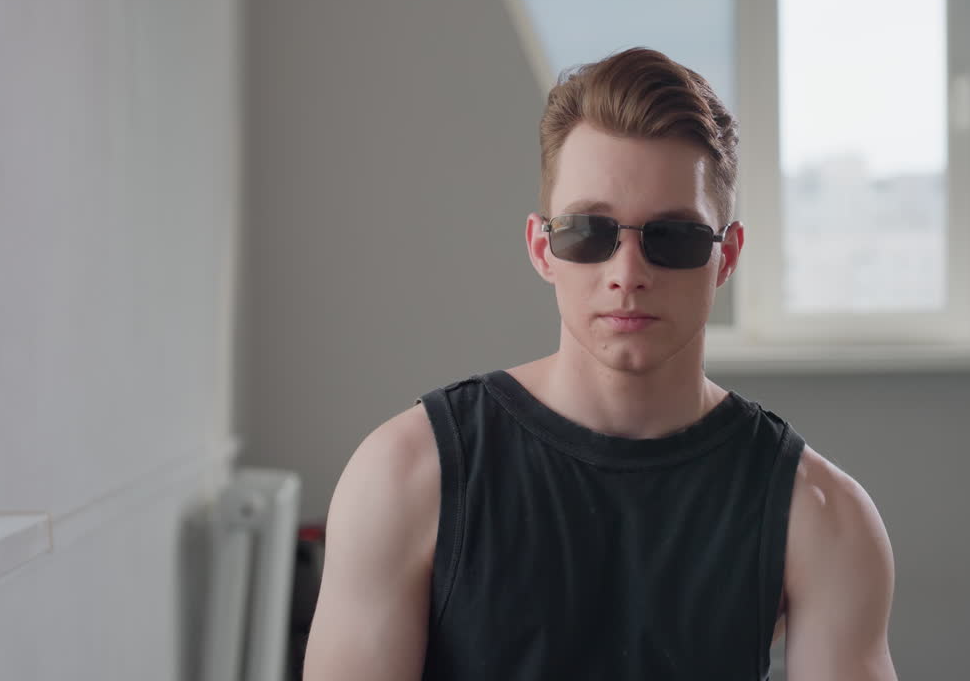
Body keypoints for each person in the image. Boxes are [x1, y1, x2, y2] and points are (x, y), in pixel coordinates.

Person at [301, 47, 898, 680]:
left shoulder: (821, 516)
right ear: (543, 248)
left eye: (674, 237)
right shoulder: (405, 477)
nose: (628, 274)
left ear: (725, 257)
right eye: (591, 231)